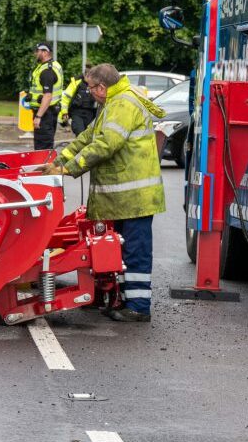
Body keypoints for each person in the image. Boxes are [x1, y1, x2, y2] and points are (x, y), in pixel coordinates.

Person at [43, 64, 165, 323]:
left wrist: (69, 168)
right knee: (121, 251)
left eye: (90, 88)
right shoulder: (113, 102)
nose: (88, 93)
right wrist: (58, 160)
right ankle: (122, 300)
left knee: (135, 253)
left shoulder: (122, 105)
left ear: (101, 87)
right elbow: (89, 136)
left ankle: (139, 307)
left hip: (134, 198)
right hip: (125, 199)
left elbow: (106, 144)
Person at [29, 43, 64, 151]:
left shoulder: (46, 71)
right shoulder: (54, 65)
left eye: (38, 51)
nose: (36, 53)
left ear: (45, 52)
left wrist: (38, 117)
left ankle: (44, 167)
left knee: (42, 148)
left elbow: (48, 96)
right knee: (45, 146)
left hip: (45, 114)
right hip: (50, 111)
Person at [59, 66, 98, 136]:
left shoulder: (96, 85)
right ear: (84, 75)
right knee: (80, 133)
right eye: (88, 77)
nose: (90, 79)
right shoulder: (76, 83)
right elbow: (65, 98)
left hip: (91, 114)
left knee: (90, 135)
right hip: (77, 113)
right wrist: (64, 112)